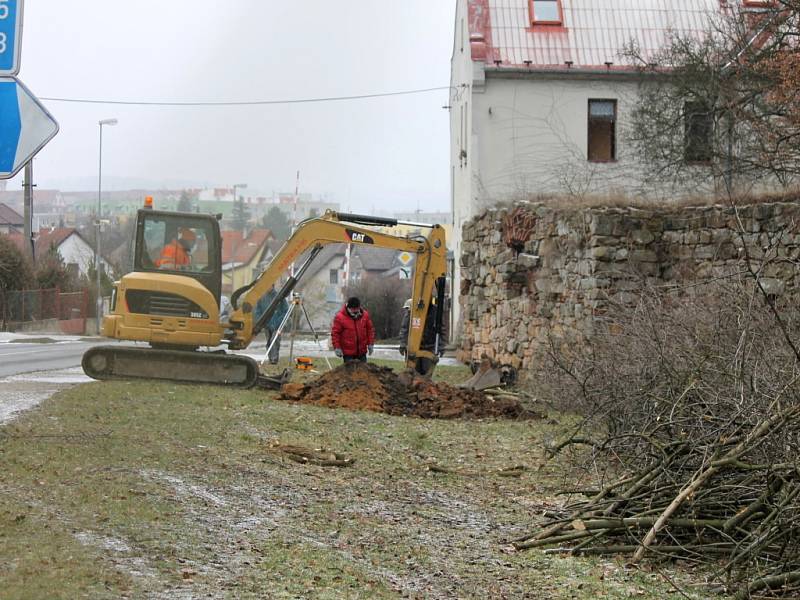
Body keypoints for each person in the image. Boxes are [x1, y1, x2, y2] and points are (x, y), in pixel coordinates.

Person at [399, 296, 448, 377]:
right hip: (413, 348)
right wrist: (403, 343)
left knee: (426, 374)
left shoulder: (435, 312)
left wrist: (441, 346)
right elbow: (405, 328)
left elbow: (441, 329)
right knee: (412, 373)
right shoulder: (412, 310)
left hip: (429, 347)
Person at [331, 297, 375, 363]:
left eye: (356, 309)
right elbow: (335, 333)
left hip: (362, 353)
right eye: (353, 309)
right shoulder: (340, 317)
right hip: (348, 354)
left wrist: (370, 344)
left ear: (359, 307)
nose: (355, 311)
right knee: (350, 373)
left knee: (363, 372)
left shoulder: (365, 315)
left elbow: (370, 330)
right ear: (348, 308)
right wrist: (337, 347)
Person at [254, 287, 289, 364]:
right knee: (269, 342)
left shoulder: (279, 296)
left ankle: (274, 359)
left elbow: (286, 310)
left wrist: (280, 321)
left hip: (277, 324)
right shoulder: (262, 297)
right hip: (267, 324)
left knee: (274, 340)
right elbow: (257, 311)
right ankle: (270, 358)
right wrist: (261, 321)